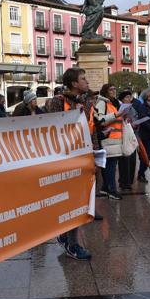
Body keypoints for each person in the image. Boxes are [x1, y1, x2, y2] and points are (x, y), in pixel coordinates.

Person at [47, 68, 93, 260]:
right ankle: (72, 244)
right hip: (64, 160)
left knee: (79, 202)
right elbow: (50, 130)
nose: (87, 82)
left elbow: (92, 130)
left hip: (84, 159)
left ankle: (65, 236)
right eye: (83, 79)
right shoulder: (56, 102)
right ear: (74, 83)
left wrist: (94, 156)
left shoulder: (88, 103)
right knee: (71, 203)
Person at [94, 85, 127, 200]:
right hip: (108, 139)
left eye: (115, 89)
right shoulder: (102, 103)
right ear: (105, 91)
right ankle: (112, 190)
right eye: (111, 89)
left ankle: (105, 188)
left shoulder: (115, 103)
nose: (114, 91)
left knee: (110, 165)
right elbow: (100, 121)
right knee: (110, 166)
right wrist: (116, 115)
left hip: (115, 139)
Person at [117, 90, 138, 190]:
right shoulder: (119, 108)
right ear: (122, 99)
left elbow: (135, 117)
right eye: (126, 97)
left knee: (133, 160)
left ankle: (129, 180)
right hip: (123, 135)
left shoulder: (132, 107)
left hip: (131, 135)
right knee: (125, 160)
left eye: (130, 97)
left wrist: (136, 123)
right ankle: (123, 181)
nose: (129, 99)